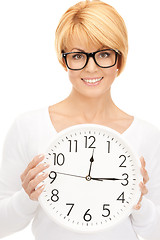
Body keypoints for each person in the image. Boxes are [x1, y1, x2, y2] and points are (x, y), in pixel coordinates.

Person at [0, 0, 160, 239]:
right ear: (64, 60)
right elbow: (3, 225)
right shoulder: (27, 127)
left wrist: (139, 203)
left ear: (119, 58)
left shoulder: (147, 135)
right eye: (78, 56)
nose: (92, 68)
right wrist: (27, 196)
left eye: (104, 54)